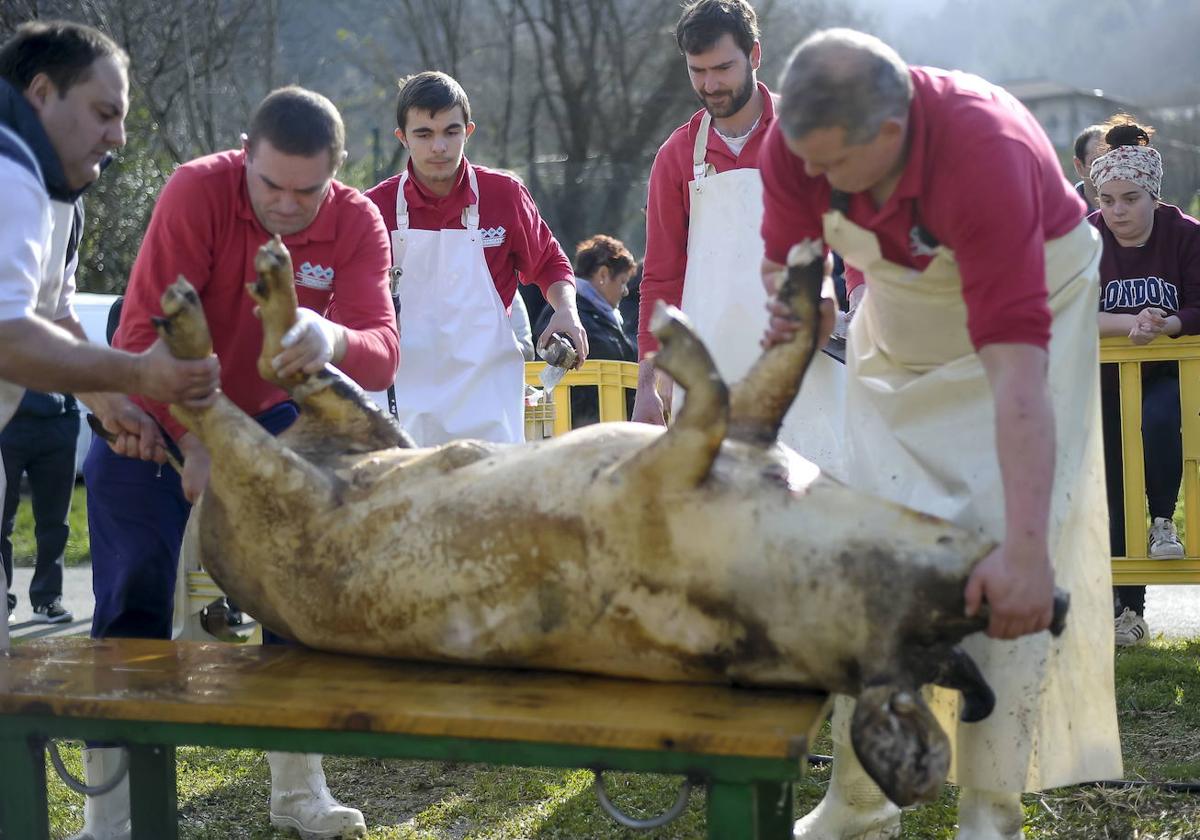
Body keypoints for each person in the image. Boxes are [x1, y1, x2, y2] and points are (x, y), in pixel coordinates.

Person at [758, 29, 1121, 839]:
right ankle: (857, 801)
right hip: (900, 325)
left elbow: (1018, 385)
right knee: (869, 552)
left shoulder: (981, 155)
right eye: (803, 161)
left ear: (890, 136)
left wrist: (1029, 554)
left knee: (993, 558)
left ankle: (990, 810)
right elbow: (788, 268)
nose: (810, 179)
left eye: (831, 167)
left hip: (1036, 316)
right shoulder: (802, 143)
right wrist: (798, 295)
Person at [81, 86, 398, 840]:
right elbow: (140, 329)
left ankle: (299, 793)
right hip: (155, 411)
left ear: (338, 173)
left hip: (274, 422)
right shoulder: (195, 188)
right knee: (134, 595)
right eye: (270, 186)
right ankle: (111, 817)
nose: (286, 205)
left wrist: (332, 334)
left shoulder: (358, 221)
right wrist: (197, 442)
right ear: (244, 157)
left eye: (307, 190)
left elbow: (383, 353)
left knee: (296, 601)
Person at [0, 20, 220, 647]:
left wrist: (115, 407)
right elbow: (9, 337)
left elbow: (52, 313)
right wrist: (140, 375)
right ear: (41, 93)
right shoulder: (10, 173)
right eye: (104, 113)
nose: (118, 137)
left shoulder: (57, 195)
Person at [632, 0, 844, 475]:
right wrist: (648, 383)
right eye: (697, 71)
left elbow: (860, 239)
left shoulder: (803, 137)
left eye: (723, 67)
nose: (710, 85)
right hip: (711, 377)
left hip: (806, 366)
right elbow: (661, 278)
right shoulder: (677, 156)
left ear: (755, 55)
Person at [364, 71, 586, 446]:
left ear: (468, 132)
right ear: (402, 138)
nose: (439, 147)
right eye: (424, 134)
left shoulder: (505, 196)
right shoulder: (374, 208)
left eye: (451, 132)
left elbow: (548, 261)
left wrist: (567, 310)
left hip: (487, 396)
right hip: (400, 395)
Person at [1090, 118, 1200, 647]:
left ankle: (1162, 520)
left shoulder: (1185, 235)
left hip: (1170, 375)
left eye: (1130, 199)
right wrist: (1129, 324)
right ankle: (1126, 611)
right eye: (1107, 200)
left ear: (1153, 195)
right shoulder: (1085, 237)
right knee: (1111, 477)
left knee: (1158, 422)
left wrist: (1171, 324)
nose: (1117, 212)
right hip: (1104, 379)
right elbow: (1061, 309)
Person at [534, 234, 638, 425]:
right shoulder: (566, 316)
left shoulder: (605, 317)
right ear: (603, 275)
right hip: (578, 429)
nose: (625, 291)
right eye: (623, 281)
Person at [1, 389, 79, 624]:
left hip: (58, 420)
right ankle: (1, 600)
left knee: (55, 520)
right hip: (6, 421)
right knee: (1, 518)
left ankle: (47, 598)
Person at [1073, 123, 1105, 206]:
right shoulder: (1066, 213)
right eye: (1098, 162)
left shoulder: (1137, 211)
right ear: (1079, 166)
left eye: (1114, 160)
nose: (1108, 169)